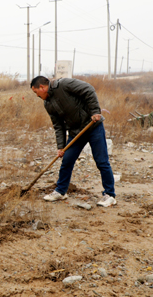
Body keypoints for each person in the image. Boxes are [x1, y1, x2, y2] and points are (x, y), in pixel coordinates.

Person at [30, 76, 117, 207]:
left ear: (42, 87)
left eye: (36, 92)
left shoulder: (63, 84)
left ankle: (110, 195)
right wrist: (60, 147)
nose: (36, 95)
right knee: (67, 160)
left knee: (102, 161)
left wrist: (94, 111)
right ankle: (61, 191)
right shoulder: (48, 103)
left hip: (93, 126)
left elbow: (88, 89)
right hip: (76, 133)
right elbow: (58, 126)